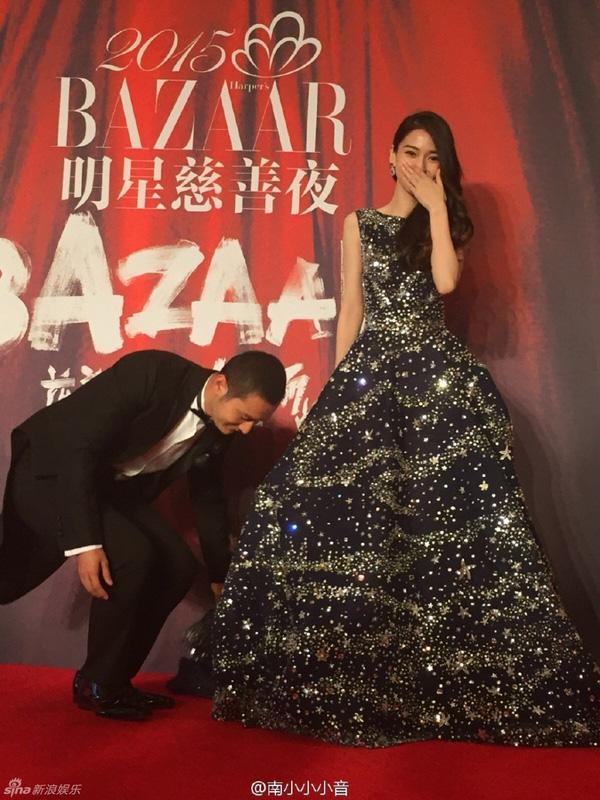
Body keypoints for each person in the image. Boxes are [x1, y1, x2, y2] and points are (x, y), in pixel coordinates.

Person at [210, 111, 600, 747]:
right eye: (411, 152)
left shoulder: (446, 223)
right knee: (351, 526)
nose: (421, 164)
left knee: (445, 531)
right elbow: (352, 310)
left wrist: (438, 208)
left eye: (434, 156)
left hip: (435, 388)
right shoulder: (359, 223)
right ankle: (353, 677)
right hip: (372, 382)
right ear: (391, 157)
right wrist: (338, 395)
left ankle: (450, 682)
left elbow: (444, 281)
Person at [0, 348, 286, 721]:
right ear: (220, 385)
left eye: (255, 423)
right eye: (245, 417)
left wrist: (219, 572)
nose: (247, 430)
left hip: (107, 490)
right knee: (133, 555)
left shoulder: (222, 426)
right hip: (51, 471)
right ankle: (97, 683)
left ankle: (115, 681)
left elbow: (207, 496)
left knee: (179, 566)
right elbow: (78, 448)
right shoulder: (149, 373)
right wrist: (86, 543)